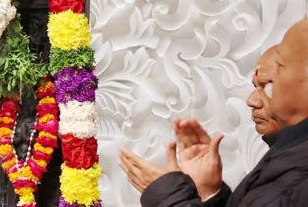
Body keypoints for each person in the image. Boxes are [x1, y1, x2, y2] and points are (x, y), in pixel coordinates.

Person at [119, 18, 308, 206]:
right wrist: (209, 192)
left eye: (280, 67)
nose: (251, 100)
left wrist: (168, 195)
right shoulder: (287, 157)